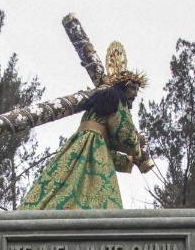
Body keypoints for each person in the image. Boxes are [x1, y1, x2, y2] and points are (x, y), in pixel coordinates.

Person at [18, 41, 149, 210]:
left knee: (60, 181)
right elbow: (125, 135)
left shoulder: (96, 110)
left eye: (137, 91)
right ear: (124, 87)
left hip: (77, 145)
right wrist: (137, 146)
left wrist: (129, 161)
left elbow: (108, 154)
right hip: (95, 150)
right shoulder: (117, 101)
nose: (135, 94)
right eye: (133, 89)